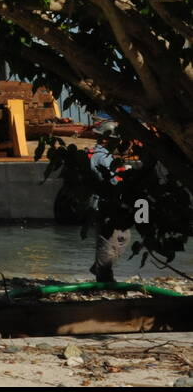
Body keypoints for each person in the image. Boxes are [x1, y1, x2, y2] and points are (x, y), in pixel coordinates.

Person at [88, 117, 135, 283]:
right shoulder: (100, 156)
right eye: (116, 140)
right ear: (106, 139)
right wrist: (125, 174)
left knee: (123, 237)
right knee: (107, 241)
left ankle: (100, 267)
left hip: (112, 203)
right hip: (104, 204)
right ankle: (104, 277)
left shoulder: (105, 155)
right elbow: (110, 180)